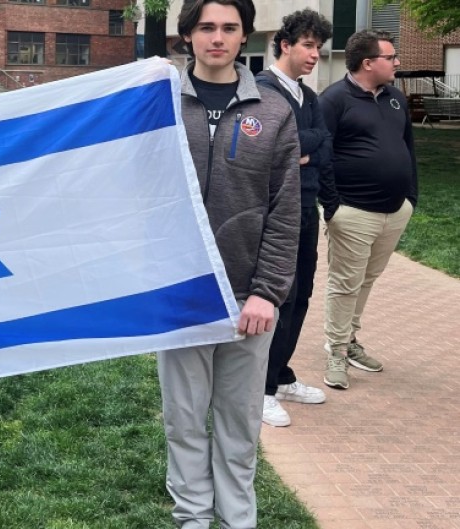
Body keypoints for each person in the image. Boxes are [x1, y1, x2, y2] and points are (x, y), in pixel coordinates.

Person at [156, 0, 300, 527]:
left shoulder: (274, 109)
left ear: (245, 37)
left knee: (238, 426)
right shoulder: (159, 104)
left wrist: (268, 291)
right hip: (182, 298)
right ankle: (193, 518)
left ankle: (238, 520)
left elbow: (287, 211)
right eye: (206, 27)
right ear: (188, 35)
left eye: (229, 28)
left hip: (249, 300)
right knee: (184, 422)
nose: (217, 37)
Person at [319, 30, 416, 390]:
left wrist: (411, 197)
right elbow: (320, 157)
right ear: (368, 63)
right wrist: (332, 208)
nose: (397, 62)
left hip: (395, 211)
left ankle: (350, 338)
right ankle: (337, 350)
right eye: (391, 57)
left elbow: (408, 147)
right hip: (353, 212)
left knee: (367, 281)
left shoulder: (395, 98)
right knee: (345, 283)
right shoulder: (333, 100)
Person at [254, 8, 333, 427]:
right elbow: (274, 148)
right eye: (307, 45)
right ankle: (261, 388)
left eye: (318, 47)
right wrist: (301, 148)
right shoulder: (264, 91)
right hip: (276, 211)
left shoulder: (309, 97)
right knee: (278, 299)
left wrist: (305, 148)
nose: (314, 54)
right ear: (285, 44)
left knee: (301, 296)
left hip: (307, 207)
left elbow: (320, 144)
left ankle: (281, 375)